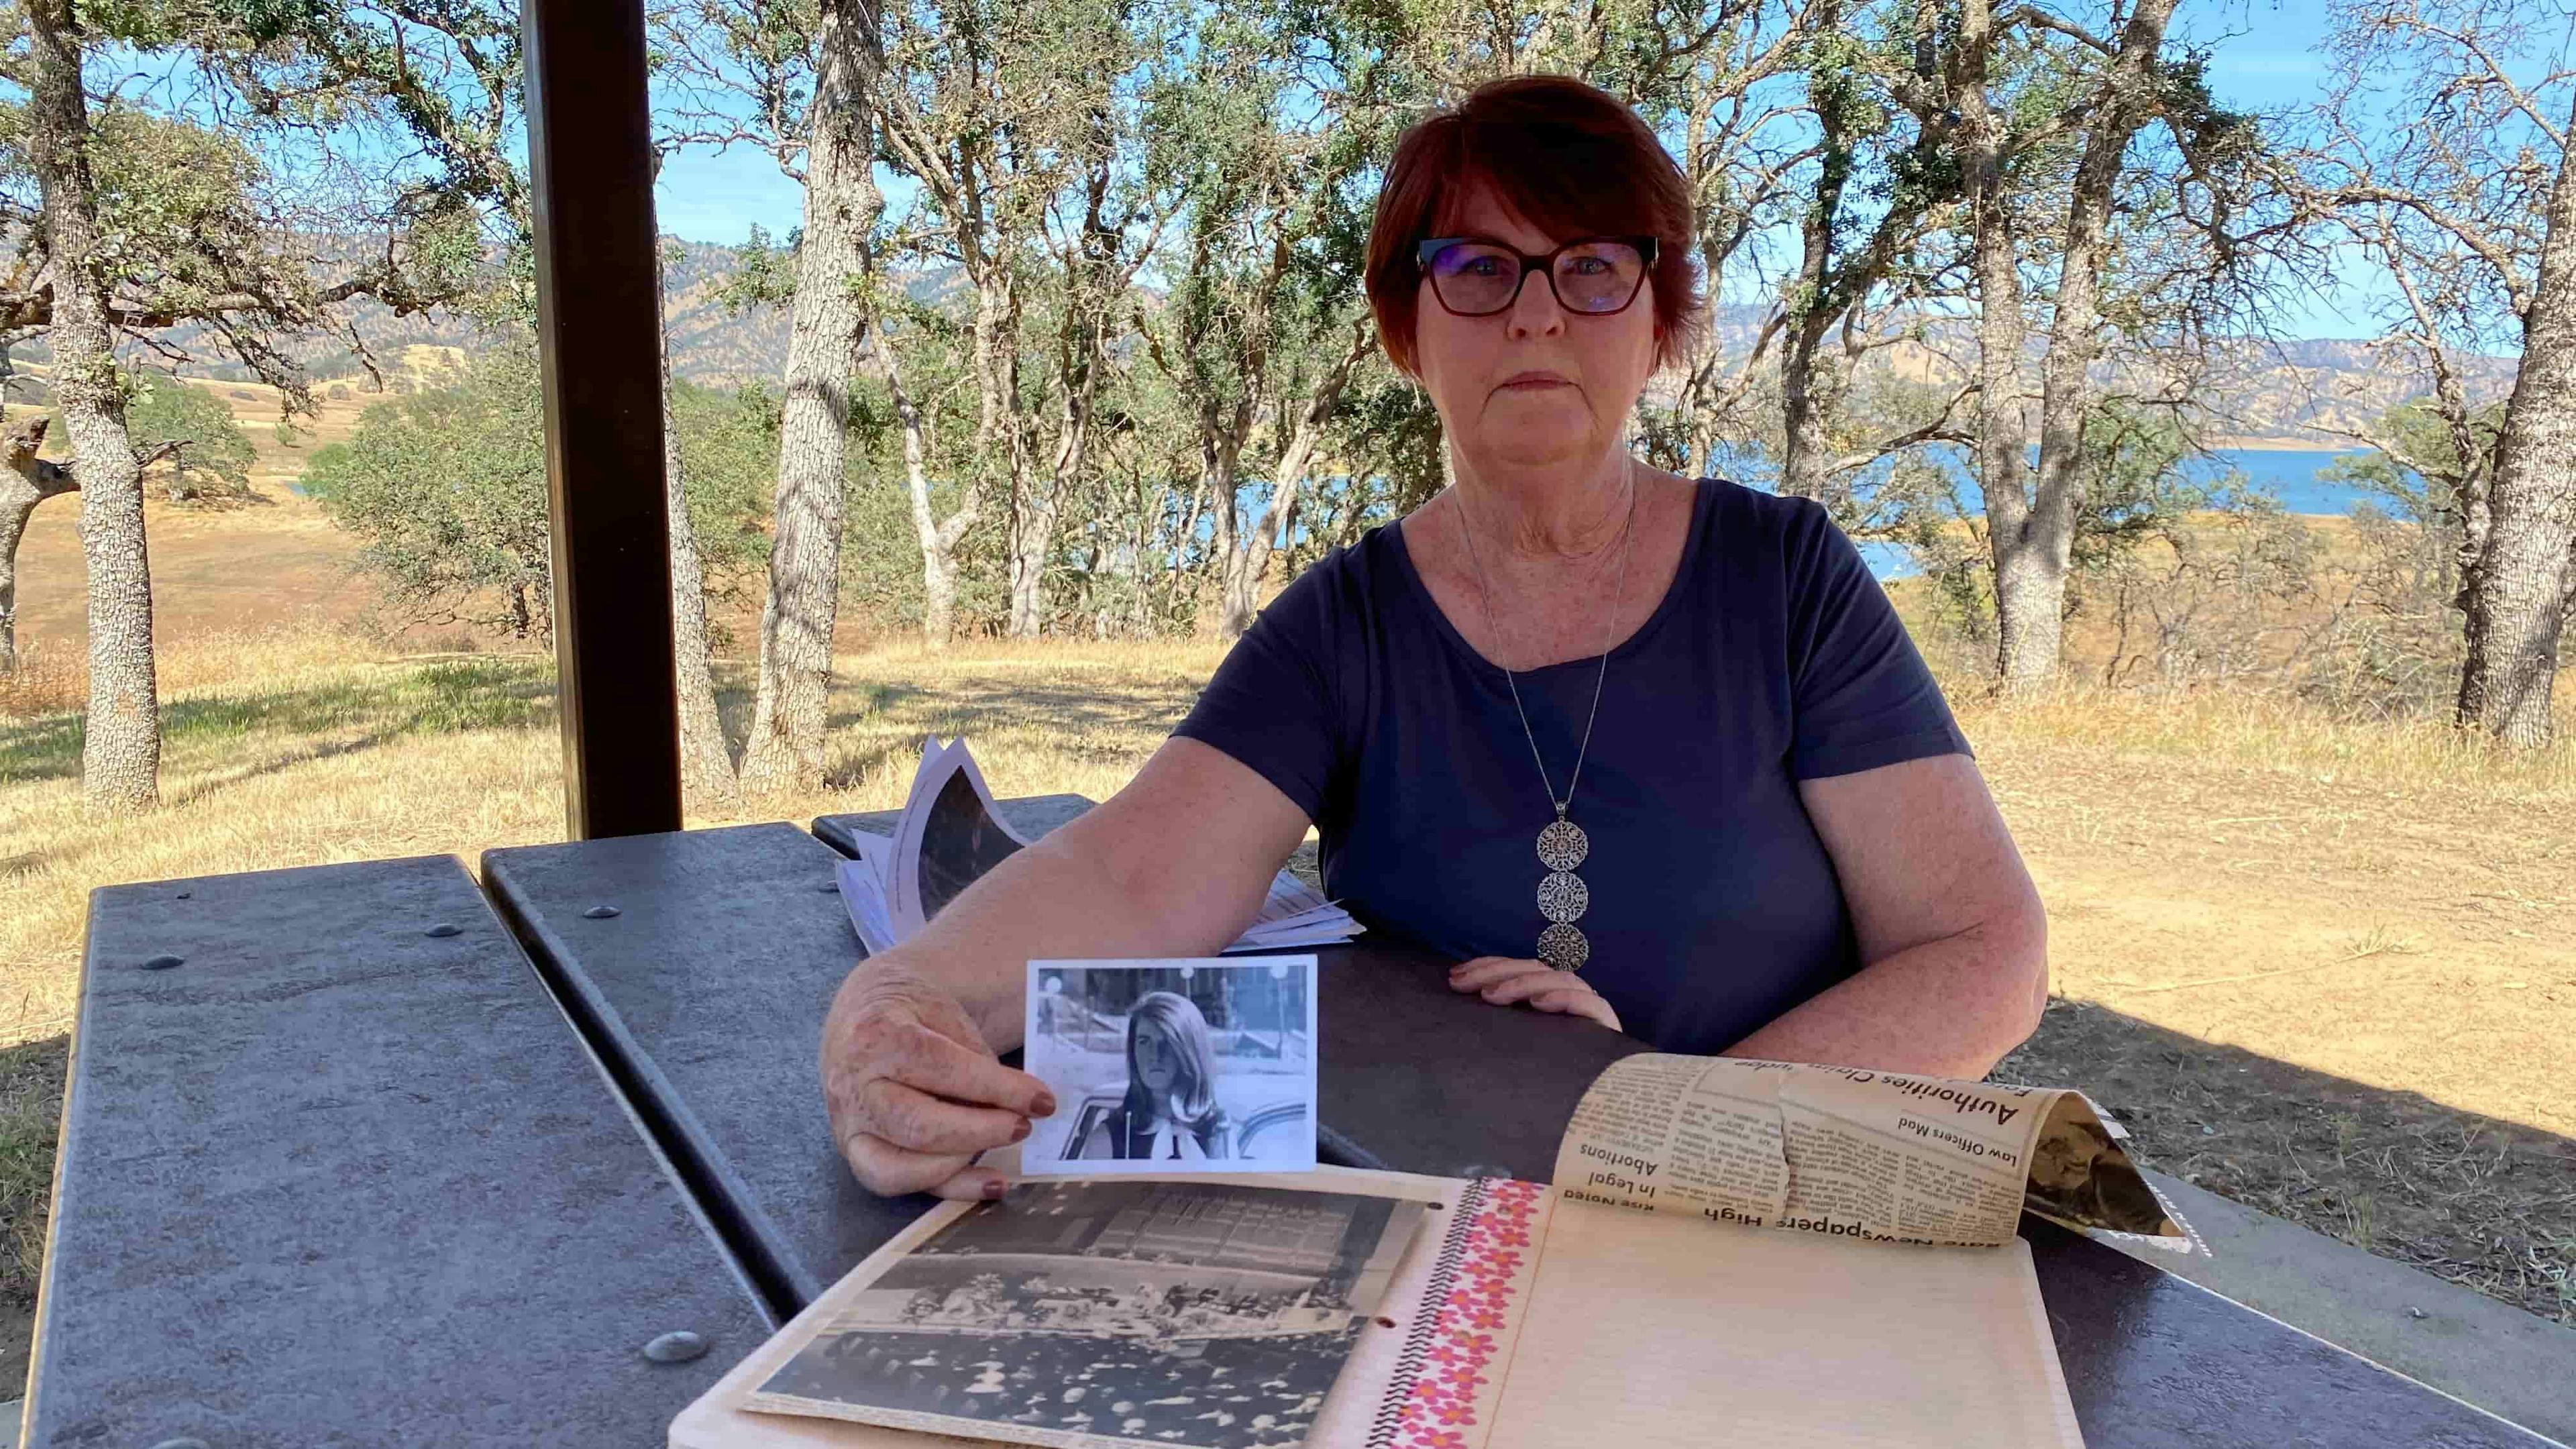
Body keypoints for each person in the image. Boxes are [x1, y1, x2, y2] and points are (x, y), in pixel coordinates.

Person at [821, 73, 2050, 1202]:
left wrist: (1671, 1118)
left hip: (1765, 1223)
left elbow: (1982, 950)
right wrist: (898, 1003)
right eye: (1476, 266)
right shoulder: (1343, 626)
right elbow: (1128, 876)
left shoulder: (1785, 580)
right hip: (1444, 1236)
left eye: (1591, 269)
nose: (1533, 318)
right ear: (1407, 326)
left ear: (1659, 320)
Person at [1073, 991, 1233, 1162]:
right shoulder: (1107, 1139)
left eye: (1167, 1043)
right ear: (1133, 1051)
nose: (1155, 1055)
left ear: (1189, 1052)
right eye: (1144, 1042)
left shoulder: (1218, 1132)